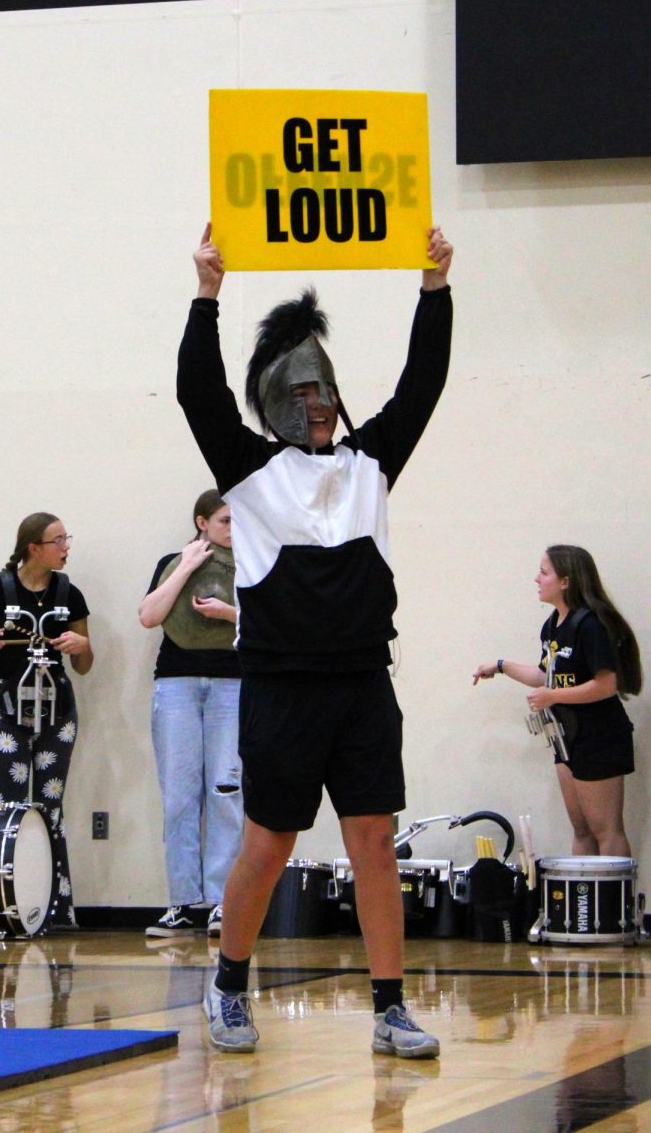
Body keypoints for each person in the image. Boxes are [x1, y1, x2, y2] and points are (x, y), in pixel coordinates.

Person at [177, 220, 453, 1056]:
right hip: (282, 686)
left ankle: (389, 1006)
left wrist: (434, 288)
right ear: (276, 404)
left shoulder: (372, 464)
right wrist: (206, 296)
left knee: (374, 840)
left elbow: (422, 385)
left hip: (365, 682)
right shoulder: (251, 473)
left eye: (325, 392)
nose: (319, 406)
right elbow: (198, 394)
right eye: (302, 396)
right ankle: (227, 988)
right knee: (269, 841)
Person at [473, 544, 642, 857]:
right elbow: (545, 676)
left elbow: (606, 685)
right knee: (581, 829)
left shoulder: (590, 625)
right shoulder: (552, 625)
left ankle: (612, 905)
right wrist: (500, 666)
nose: (536, 579)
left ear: (565, 581)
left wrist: (553, 696)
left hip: (599, 735)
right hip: (567, 737)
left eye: (544, 572)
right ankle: (582, 904)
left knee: (606, 829)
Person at [0, 512, 93, 927]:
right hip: (7, 706)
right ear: (33, 548)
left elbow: (85, 664)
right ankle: (13, 903)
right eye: (58, 540)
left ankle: (57, 907)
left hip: (57, 708)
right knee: (14, 805)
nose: (66, 547)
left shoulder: (69, 593)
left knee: (50, 805)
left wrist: (81, 646)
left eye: (65, 539)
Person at [139, 490, 243, 940]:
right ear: (202, 522)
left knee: (226, 790)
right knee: (180, 795)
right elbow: (149, 616)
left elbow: (274, 623)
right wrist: (185, 565)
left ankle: (222, 902)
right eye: (225, 521)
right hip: (178, 684)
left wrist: (228, 613)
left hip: (233, 685)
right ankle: (182, 902)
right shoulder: (172, 560)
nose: (233, 530)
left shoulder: (256, 562)